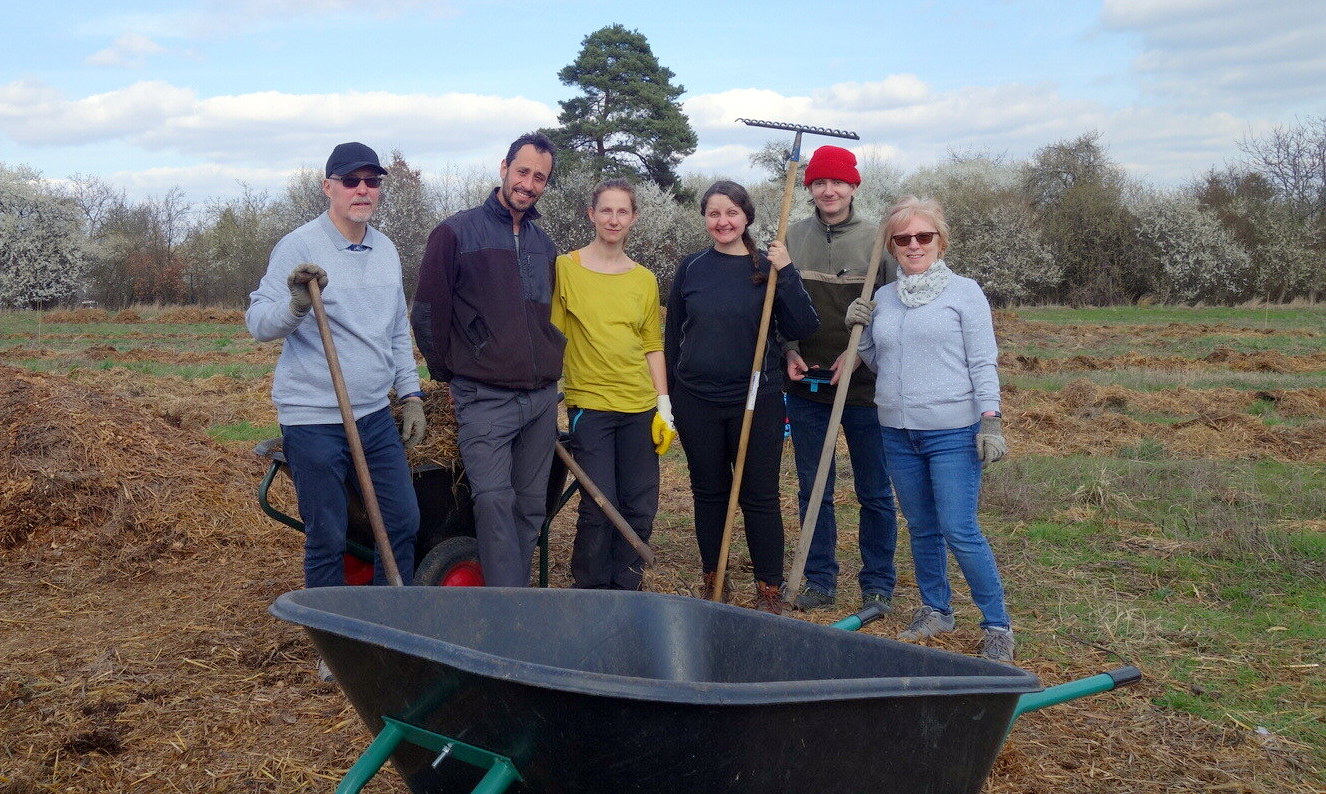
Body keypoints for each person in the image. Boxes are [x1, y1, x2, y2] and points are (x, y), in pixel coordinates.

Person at [245, 141, 425, 595]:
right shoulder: (299, 245)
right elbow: (257, 324)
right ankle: (333, 642)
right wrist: (295, 306)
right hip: (313, 418)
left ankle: (384, 626)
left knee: (402, 520)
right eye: (351, 181)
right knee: (327, 534)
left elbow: (396, 332)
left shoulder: (386, 250)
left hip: (373, 415)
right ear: (329, 187)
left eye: (372, 181)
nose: (363, 190)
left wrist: (411, 395)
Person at [849, 195, 1014, 662]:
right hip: (897, 431)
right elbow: (883, 364)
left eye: (924, 236)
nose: (914, 245)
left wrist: (991, 420)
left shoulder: (964, 293)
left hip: (952, 431)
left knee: (958, 527)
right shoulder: (882, 298)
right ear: (892, 246)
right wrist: (860, 335)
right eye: (903, 238)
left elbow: (983, 361)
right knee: (921, 527)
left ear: (940, 241)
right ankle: (935, 609)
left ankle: (997, 624)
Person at [411, 132, 564, 588]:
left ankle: (509, 598)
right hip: (485, 397)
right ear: (503, 168)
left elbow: (544, 313)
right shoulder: (456, 233)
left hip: (539, 399)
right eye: (523, 172)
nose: (529, 183)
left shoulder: (543, 244)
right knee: (494, 502)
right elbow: (427, 313)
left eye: (540, 177)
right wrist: (452, 376)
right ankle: (506, 611)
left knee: (531, 506)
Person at [665, 180, 819, 614]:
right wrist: (674, 396)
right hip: (697, 399)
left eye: (731, 213)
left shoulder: (766, 268)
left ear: (746, 217)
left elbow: (805, 327)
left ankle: (769, 590)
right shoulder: (691, 268)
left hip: (757, 397)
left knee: (759, 496)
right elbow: (674, 334)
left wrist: (786, 271)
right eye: (714, 213)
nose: (723, 222)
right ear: (705, 219)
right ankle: (714, 580)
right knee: (709, 493)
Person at [783, 145, 899, 612]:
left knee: (874, 489)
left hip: (867, 387)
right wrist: (788, 351)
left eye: (838, 182)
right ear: (809, 187)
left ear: (854, 186)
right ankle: (819, 581)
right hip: (807, 384)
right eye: (819, 182)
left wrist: (860, 354)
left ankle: (878, 584)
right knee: (814, 488)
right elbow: (779, 308)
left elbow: (894, 313)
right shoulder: (791, 238)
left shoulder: (879, 240)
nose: (829, 190)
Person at [551, 178, 672, 590]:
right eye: (606, 210)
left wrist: (664, 406)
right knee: (598, 506)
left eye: (623, 211)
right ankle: (589, 590)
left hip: (640, 406)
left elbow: (652, 344)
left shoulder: (643, 279)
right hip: (592, 405)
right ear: (591, 214)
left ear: (634, 218)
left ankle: (626, 588)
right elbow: (553, 334)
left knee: (640, 506)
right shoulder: (567, 268)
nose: (613, 219)